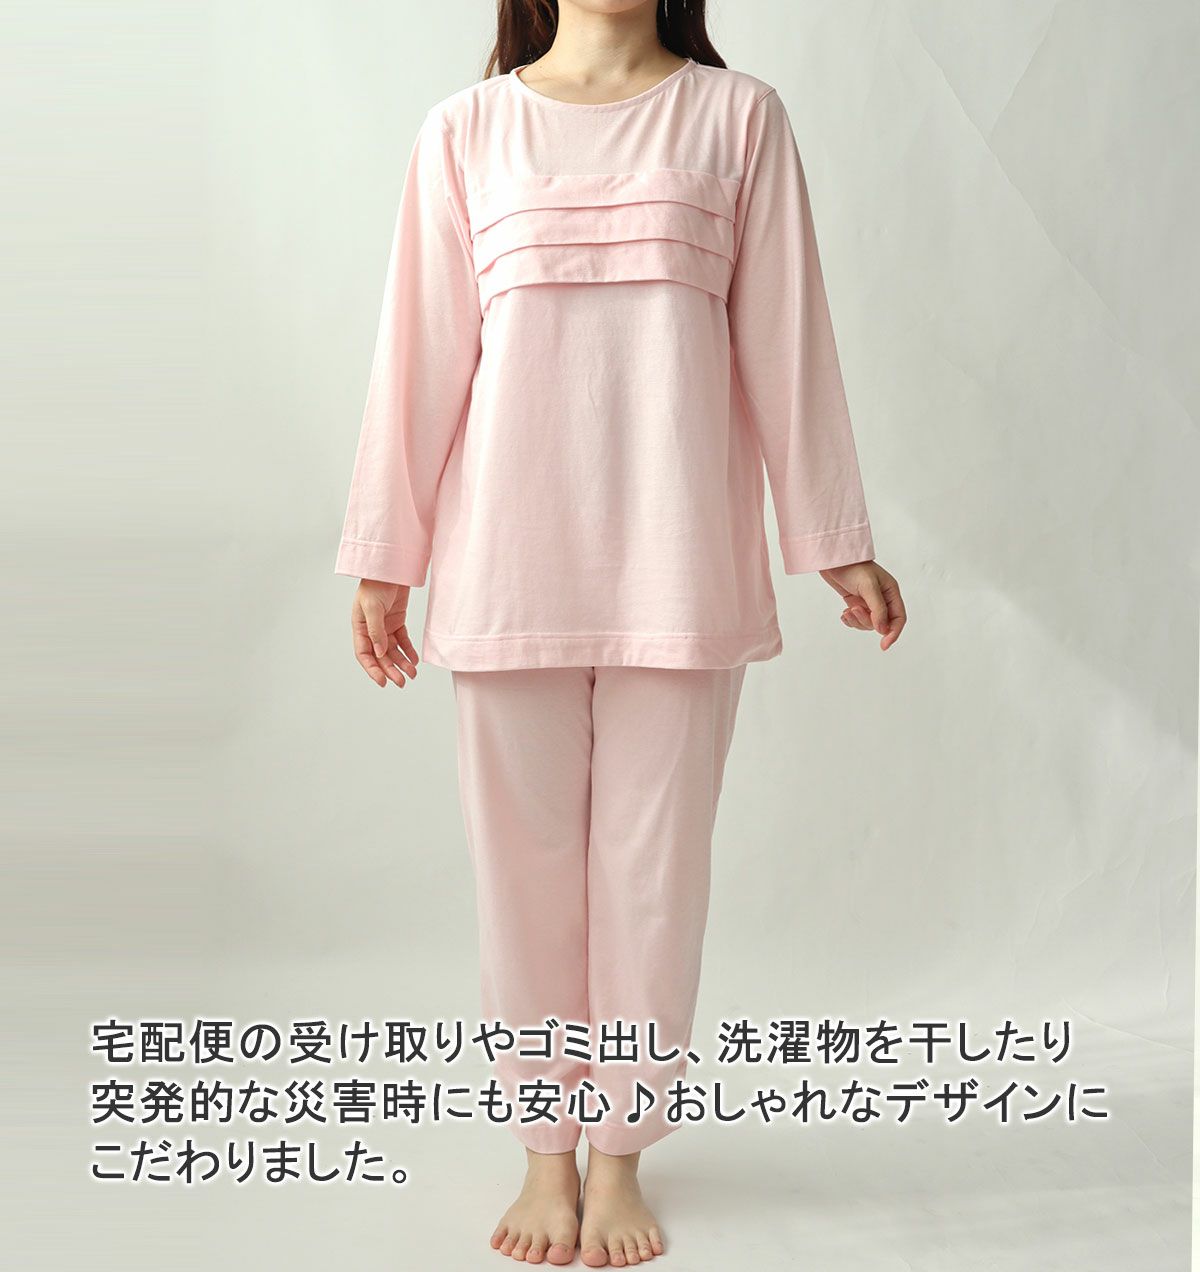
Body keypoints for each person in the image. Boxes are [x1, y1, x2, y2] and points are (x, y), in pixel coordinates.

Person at [334, 1, 906, 1265]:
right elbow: (418, 356)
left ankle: (622, 1155)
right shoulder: (465, 131)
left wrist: (831, 536)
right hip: (506, 565)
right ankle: (547, 1153)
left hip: (678, 566)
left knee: (654, 880)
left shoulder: (739, 118)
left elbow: (788, 341)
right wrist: (385, 555)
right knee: (522, 877)